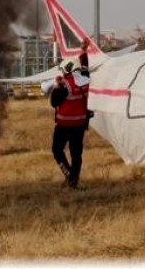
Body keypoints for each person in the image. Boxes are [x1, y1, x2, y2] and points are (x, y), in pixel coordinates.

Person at [42, 54, 90, 188]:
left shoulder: (64, 85)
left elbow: (54, 102)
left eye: (63, 70)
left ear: (68, 70)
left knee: (57, 150)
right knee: (76, 154)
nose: (62, 72)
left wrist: (56, 85)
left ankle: (70, 176)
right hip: (80, 124)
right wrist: (84, 52)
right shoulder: (86, 81)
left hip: (64, 125)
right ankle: (74, 180)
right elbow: (85, 68)